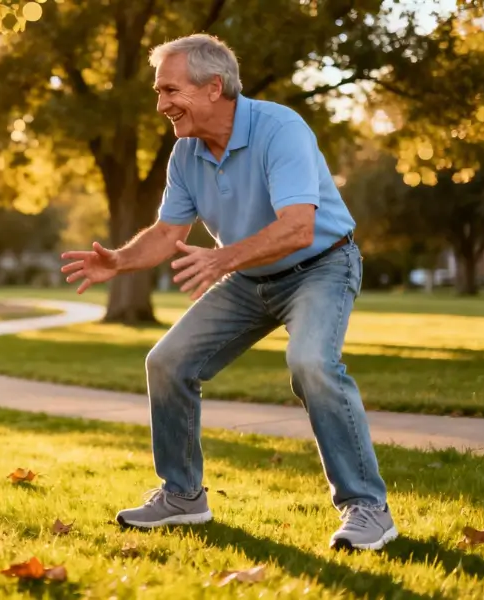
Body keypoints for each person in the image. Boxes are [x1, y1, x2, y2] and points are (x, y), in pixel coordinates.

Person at [59, 34, 397, 551]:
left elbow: (298, 229)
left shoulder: (279, 128)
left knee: (311, 363)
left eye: (171, 90)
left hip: (321, 266)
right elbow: (167, 232)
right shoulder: (185, 154)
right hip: (247, 277)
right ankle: (182, 496)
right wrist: (121, 261)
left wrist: (220, 258)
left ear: (214, 87)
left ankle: (367, 507)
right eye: (158, 92)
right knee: (167, 361)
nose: (162, 104)